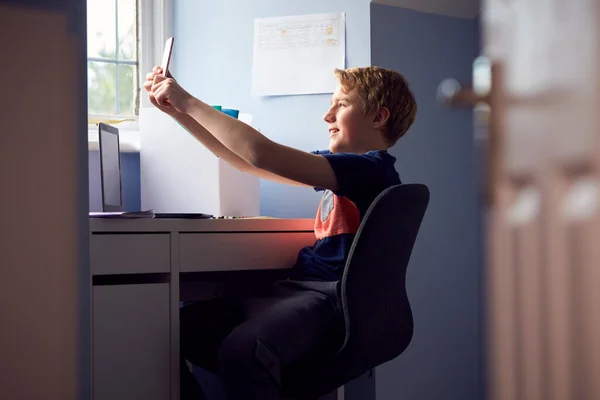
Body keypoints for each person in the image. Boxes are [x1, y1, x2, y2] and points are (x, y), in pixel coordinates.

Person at [143, 65, 417, 400]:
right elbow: (246, 162)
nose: (327, 115)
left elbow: (259, 153)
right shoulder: (352, 172)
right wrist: (177, 113)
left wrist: (185, 100)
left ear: (379, 117)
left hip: (326, 298)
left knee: (243, 349)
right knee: (177, 332)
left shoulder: (369, 170)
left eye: (341, 105)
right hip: (301, 291)